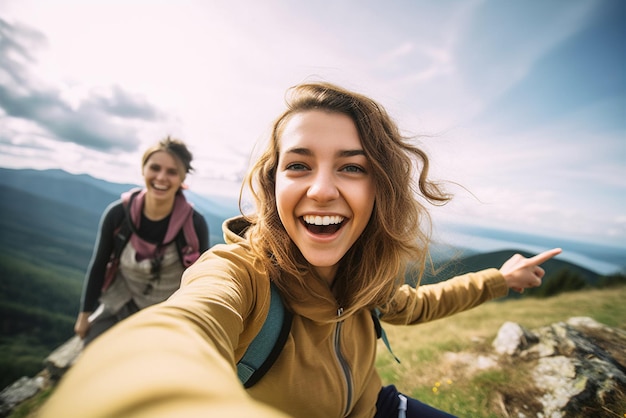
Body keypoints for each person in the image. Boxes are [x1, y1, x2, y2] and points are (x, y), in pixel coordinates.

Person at [43, 83, 561, 418]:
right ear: (272, 186)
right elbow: (182, 328)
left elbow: (419, 304)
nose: (320, 190)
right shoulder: (238, 273)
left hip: (376, 408)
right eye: (298, 165)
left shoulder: (364, 278)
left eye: (352, 167)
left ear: (379, 189)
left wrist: (502, 279)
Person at [73, 136, 210, 345]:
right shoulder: (118, 215)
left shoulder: (194, 224)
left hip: (168, 312)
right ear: (143, 170)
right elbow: (99, 264)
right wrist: (85, 314)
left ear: (183, 179)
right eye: (155, 168)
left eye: (172, 172)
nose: (161, 177)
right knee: (93, 353)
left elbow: (201, 279)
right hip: (120, 300)